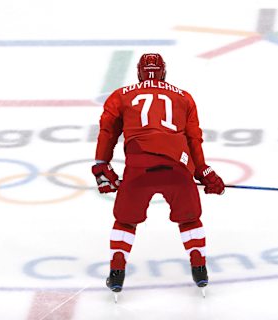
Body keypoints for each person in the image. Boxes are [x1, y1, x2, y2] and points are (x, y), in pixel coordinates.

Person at [92, 53, 225, 294]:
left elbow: (107, 132)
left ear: (138, 73)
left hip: (138, 168)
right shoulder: (184, 97)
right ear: (164, 72)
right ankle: (199, 268)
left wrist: (102, 166)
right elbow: (194, 140)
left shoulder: (121, 95)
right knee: (189, 218)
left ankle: (117, 273)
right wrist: (204, 173)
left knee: (125, 220)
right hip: (178, 167)